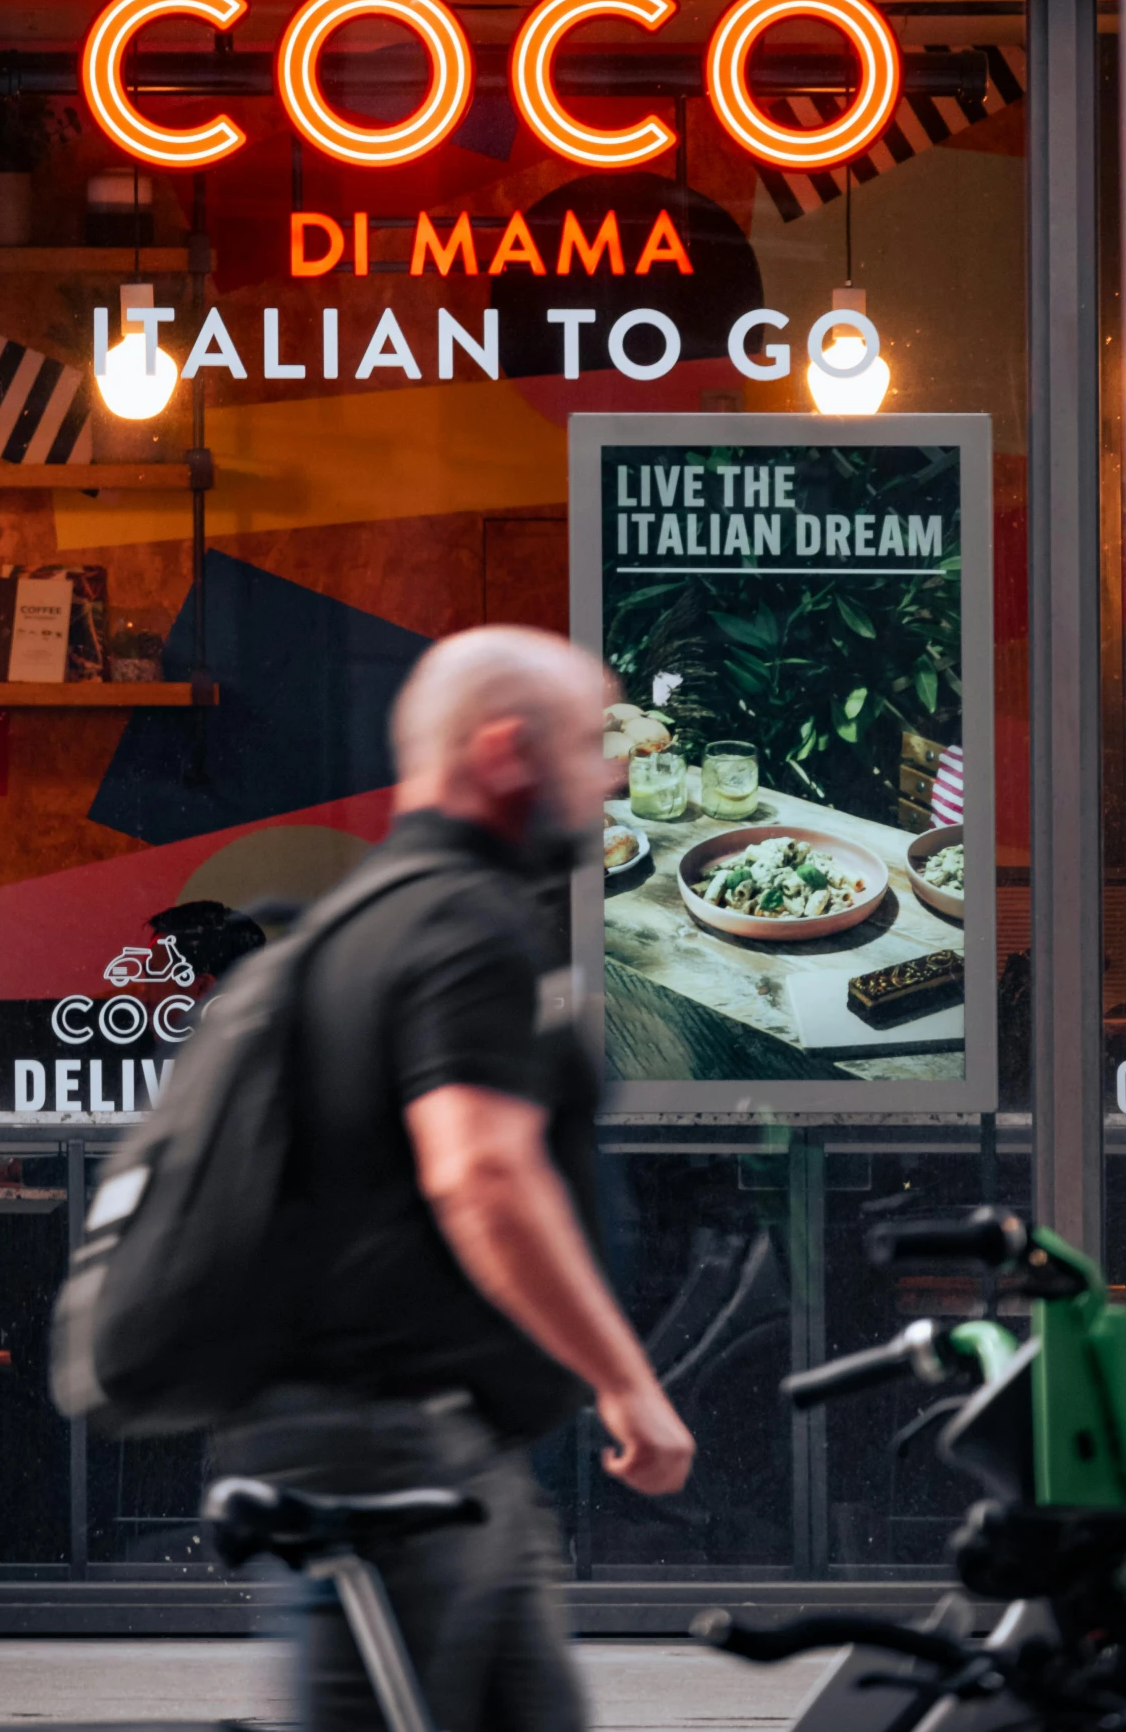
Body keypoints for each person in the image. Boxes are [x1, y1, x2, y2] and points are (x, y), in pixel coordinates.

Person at [213, 626, 694, 1732]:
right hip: (389, 1443)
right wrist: (623, 1382)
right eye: (588, 745)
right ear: (506, 750)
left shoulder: (372, 913)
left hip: (429, 1437)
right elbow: (481, 1174)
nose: (609, 775)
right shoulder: (463, 925)